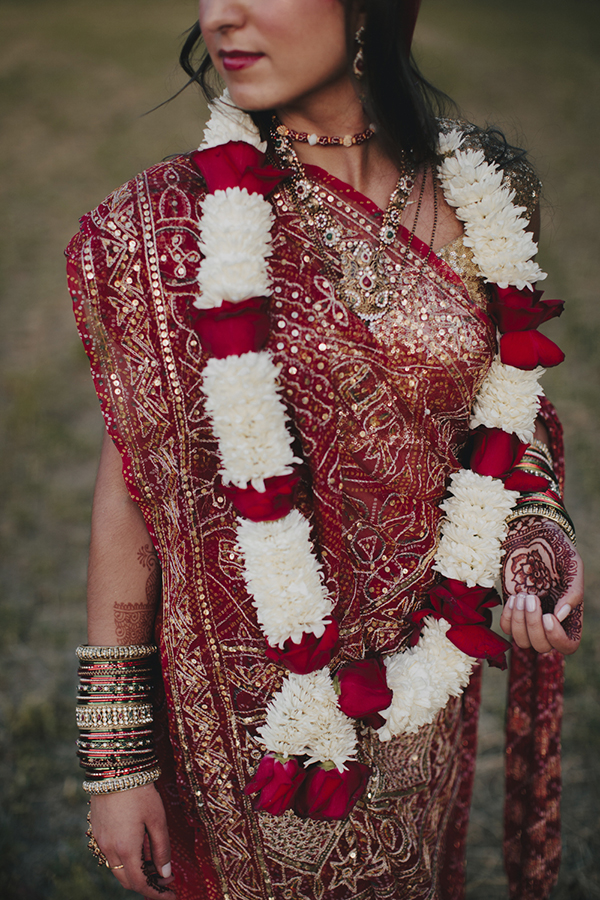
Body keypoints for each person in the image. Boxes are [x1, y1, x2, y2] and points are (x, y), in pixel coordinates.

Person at [66, 1, 584, 898]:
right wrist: (118, 756)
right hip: (248, 722)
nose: (221, 14)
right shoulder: (165, 226)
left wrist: (536, 534)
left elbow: (503, 414)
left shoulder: (478, 188)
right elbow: (135, 488)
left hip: (426, 679)